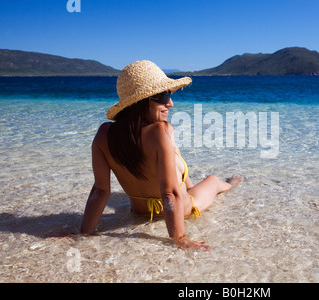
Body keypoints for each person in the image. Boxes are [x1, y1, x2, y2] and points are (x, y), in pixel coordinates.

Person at [80, 60, 243, 250]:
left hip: (140, 210)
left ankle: (189, 185)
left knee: (173, 151)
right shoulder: (160, 132)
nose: (171, 103)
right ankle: (229, 184)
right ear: (142, 101)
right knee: (213, 180)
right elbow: (169, 194)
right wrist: (180, 239)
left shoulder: (104, 134)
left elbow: (100, 191)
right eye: (164, 96)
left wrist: (83, 233)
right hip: (180, 210)